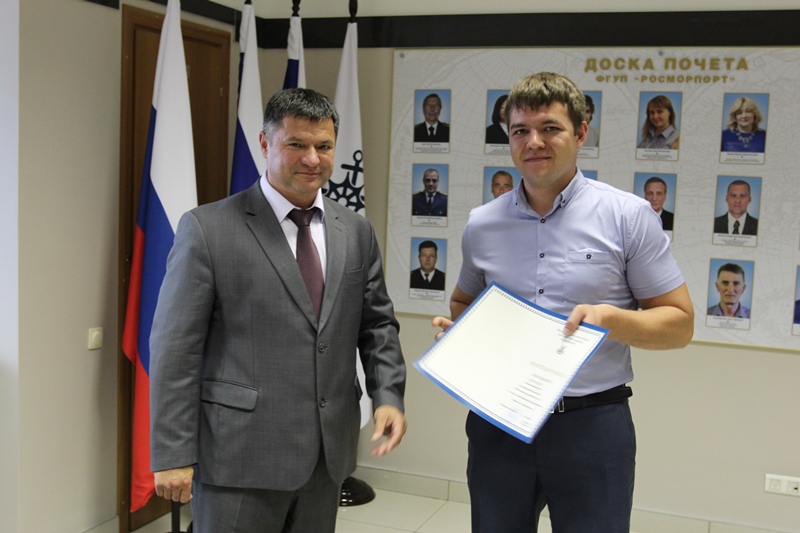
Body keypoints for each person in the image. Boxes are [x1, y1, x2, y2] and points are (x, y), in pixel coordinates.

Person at [432, 72, 694, 532]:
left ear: (581, 132)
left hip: (592, 426)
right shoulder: (482, 224)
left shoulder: (628, 216)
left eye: (550, 128)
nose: (533, 142)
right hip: (500, 424)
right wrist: (470, 337)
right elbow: (462, 300)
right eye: (520, 130)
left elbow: (680, 324)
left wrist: (611, 319)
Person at [149, 88, 407, 533]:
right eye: (296, 144)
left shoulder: (355, 232)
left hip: (326, 457)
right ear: (265, 143)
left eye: (324, 146)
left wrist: (388, 395)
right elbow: (176, 349)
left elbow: (377, 325)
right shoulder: (208, 229)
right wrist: (173, 453)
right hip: (238, 459)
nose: (312, 159)